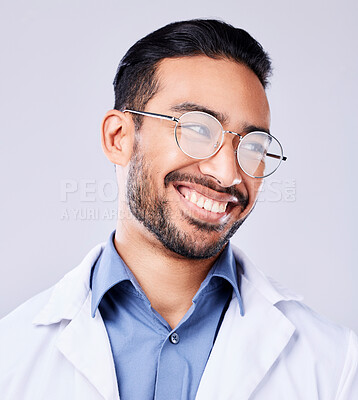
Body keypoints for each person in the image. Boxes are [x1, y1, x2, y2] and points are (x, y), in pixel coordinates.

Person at [0, 19, 357, 400]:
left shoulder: (334, 365)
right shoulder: (11, 355)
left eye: (252, 146)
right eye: (198, 130)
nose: (226, 173)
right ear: (119, 137)